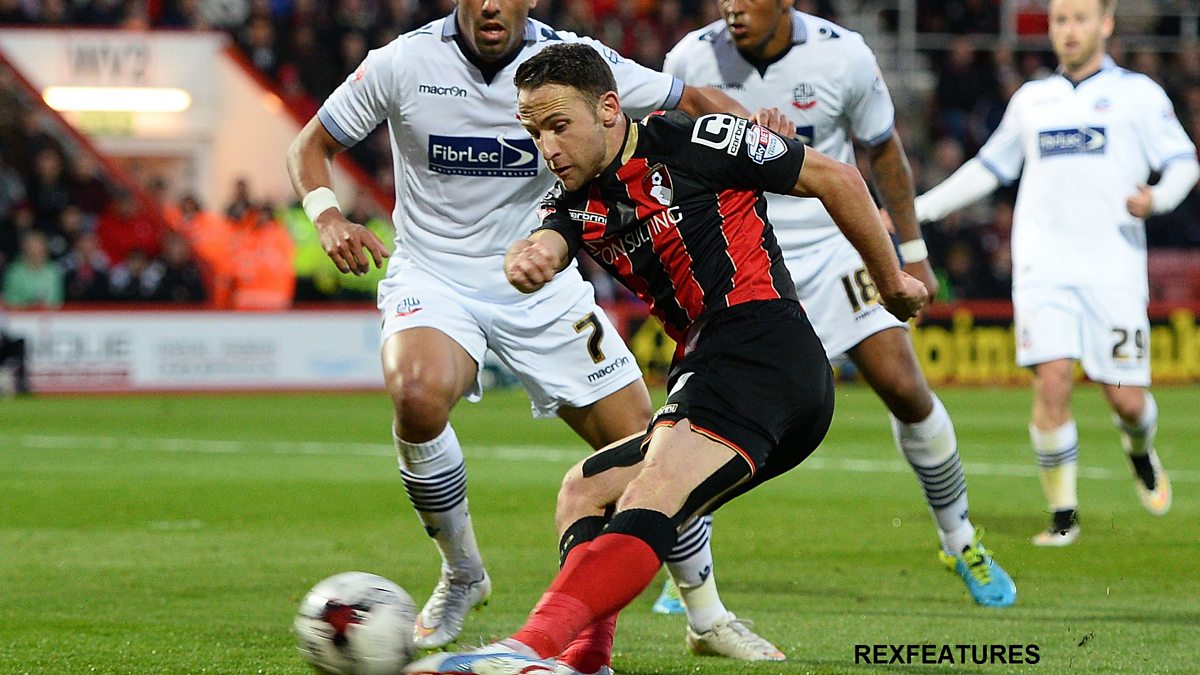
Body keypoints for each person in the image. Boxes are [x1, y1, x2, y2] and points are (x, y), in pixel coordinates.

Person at [405, 41, 927, 675]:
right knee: (584, 491)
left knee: (653, 493)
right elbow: (553, 235)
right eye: (535, 132)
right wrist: (534, 254)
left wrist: (892, 281)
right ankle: (584, 661)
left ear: (608, 109)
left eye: (559, 125)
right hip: (712, 368)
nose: (548, 147)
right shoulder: (570, 200)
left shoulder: (695, 139)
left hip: (761, 349)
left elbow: (837, 178)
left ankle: (522, 650)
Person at [285, 0, 780, 659]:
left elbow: (691, 98)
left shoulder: (572, 63)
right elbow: (310, 144)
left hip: (541, 274)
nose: (492, 4)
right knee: (417, 394)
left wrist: (763, 140)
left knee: (649, 447)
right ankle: (463, 572)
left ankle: (706, 616)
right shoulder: (402, 62)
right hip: (434, 275)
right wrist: (326, 216)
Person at [660, 0, 1015, 607]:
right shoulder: (689, 59)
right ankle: (692, 571)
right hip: (739, 254)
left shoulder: (844, 54)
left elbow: (884, 152)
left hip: (832, 246)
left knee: (904, 386)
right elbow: (660, 155)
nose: (732, 7)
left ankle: (960, 541)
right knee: (708, 413)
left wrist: (913, 252)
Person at [915, 0, 1198, 545]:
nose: (1069, 31)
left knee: (1126, 400)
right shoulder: (1032, 99)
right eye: (1060, 21)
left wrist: (1158, 198)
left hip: (1113, 269)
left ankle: (1140, 449)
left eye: (1080, 19)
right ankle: (1063, 517)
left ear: (1105, 24)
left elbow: (1184, 160)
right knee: (1051, 384)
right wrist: (920, 210)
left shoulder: (1139, 94)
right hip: (1042, 268)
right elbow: (988, 169)